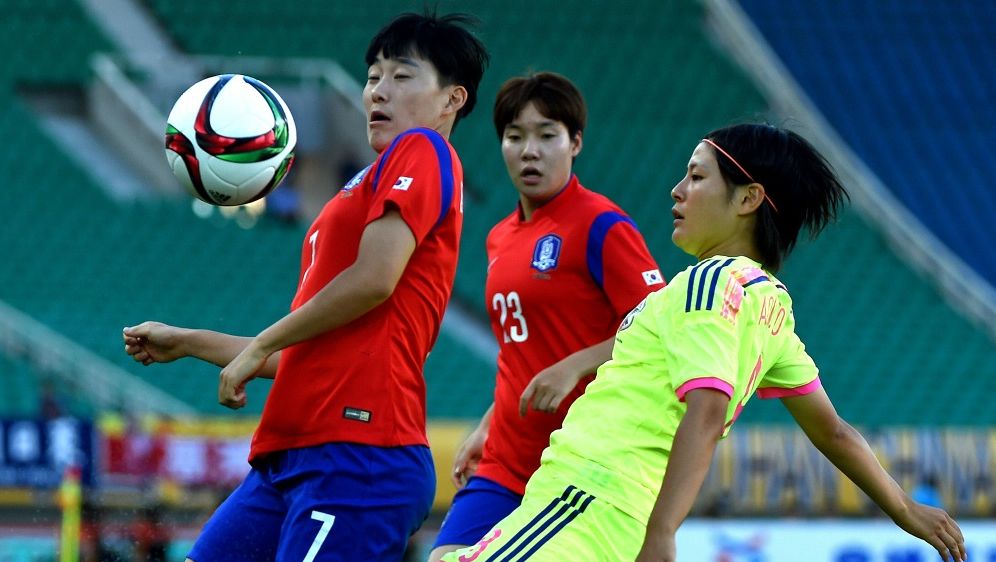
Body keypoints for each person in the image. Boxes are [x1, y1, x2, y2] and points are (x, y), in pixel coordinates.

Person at [444, 124, 966, 562]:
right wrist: (902, 506)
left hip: (587, 500)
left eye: (696, 176)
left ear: (748, 199)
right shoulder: (771, 310)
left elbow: (708, 405)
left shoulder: (708, 282)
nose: (677, 190)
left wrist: (663, 532)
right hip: (604, 509)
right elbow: (832, 431)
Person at [123, 11, 489, 561]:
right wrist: (190, 341)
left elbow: (374, 280)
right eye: (372, 77)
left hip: (358, 455)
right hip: (289, 457)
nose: (378, 91)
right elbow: (308, 353)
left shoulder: (424, 150)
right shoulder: (355, 191)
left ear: (452, 100)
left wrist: (264, 344)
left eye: (401, 76)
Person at [430, 72, 665, 561]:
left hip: (580, 467)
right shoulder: (499, 237)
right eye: (515, 137)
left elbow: (661, 332)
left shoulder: (603, 225)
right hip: (505, 461)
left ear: (575, 142)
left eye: (546, 135)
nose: (529, 150)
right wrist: (488, 426)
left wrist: (577, 364)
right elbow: (523, 351)